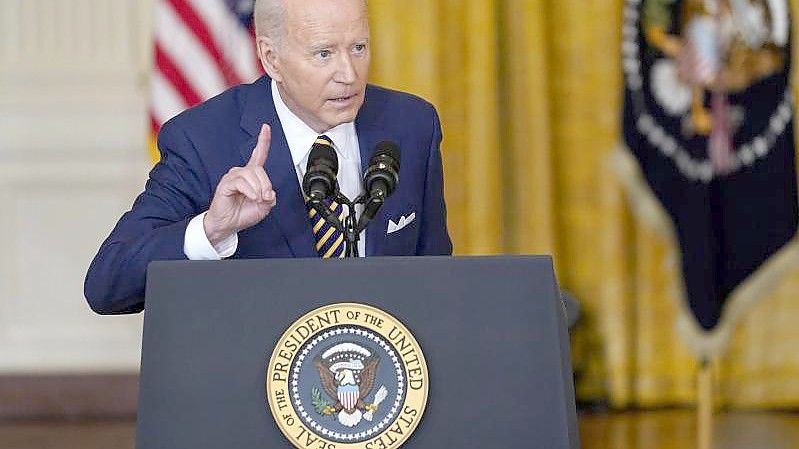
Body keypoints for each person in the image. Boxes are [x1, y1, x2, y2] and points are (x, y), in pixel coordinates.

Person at [84, 0, 452, 314]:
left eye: (358, 47)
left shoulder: (411, 125)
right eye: (324, 53)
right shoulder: (203, 141)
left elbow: (435, 280)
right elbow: (106, 285)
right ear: (271, 59)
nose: (349, 74)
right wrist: (211, 230)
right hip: (258, 383)